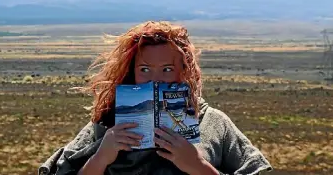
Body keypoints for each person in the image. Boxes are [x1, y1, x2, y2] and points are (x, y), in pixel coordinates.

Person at [39, 21, 272, 175]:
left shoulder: (213, 123)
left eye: (168, 69)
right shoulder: (108, 123)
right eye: (145, 70)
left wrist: (199, 167)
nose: (156, 79)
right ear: (132, 71)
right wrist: (101, 157)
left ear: (186, 70)